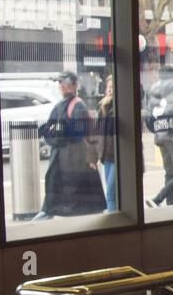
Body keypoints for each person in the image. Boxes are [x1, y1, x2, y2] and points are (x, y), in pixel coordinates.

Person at [36, 71, 106, 220]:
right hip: (64, 158)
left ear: (74, 86)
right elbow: (49, 129)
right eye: (61, 85)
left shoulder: (77, 106)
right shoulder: (61, 105)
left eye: (66, 84)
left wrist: (57, 138)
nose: (63, 87)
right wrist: (55, 139)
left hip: (75, 159)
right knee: (66, 192)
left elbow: (77, 132)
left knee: (76, 196)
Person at [144, 65, 173, 206]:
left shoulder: (152, 90)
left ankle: (170, 203)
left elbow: (148, 116)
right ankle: (158, 199)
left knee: (169, 172)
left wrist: (156, 129)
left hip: (160, 134)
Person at [96, 74, 118, 213]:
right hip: (106, 155)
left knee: (111, 190)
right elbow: (99, 130)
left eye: (112, 87)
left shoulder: (117, 106)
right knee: (110, 192)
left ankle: (112, 216)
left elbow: (112, 128)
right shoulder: (103, 106)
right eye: (108, 87)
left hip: (117, 154)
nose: (109, 90)